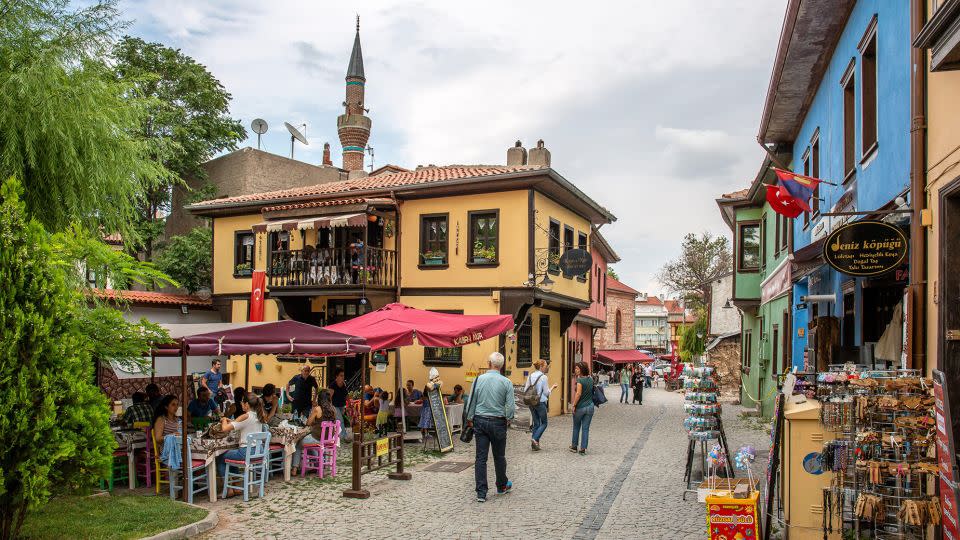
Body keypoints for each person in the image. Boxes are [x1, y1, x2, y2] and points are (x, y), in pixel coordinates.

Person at [465, 352, 516, 503]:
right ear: (501, 366)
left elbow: (472, 399)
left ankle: (481, 492)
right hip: (498, 421)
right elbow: (511, 406)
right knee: (499, 456)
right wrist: (509, 418)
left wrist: (469, 418)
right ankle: (501, 486)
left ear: (489, 364)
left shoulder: (478, 379)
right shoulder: (506, 382)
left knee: (481, 458)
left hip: (480, 421)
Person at [216, 394, 267, 495]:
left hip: (246, 453)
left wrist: (224, 420)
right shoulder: (259, 415)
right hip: (259, 452)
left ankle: (228, 489)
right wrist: (231, 421)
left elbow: (225, 428)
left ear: (247, 404)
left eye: (242, 403)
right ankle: (236, 486)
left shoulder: (245, 416)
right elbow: (239, 423)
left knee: (220, 456)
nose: (241, 405)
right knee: (232, 455)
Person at [292, 392, 338, 473]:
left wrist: (313, 410)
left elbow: (308, 423)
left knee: (298, 443)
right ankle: (318, 465)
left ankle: (294, 469)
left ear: (319, 399)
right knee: (308, 443)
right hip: (328, 439)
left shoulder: (317, 409)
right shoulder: (333, 409)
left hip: (317, 438)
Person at [524, 360, 557, 451]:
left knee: (536, 423)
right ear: (541, 366)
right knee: (544, 423)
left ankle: (534, 445)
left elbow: (526, 389)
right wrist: (552, 388)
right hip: (540, 402)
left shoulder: (530, 376)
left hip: (531, 402)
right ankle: (535, 439)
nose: (547, 367)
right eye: (546, 365)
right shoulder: (543, 377)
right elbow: (546, 393)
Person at [570, 362, 595, 455]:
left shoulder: (580, 380)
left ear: (582, 369)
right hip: (590, 406)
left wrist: (574, 405)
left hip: (580, 407)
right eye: (575, 368)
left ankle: (574, 446)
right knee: (585, 428)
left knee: (576, 427)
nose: (575, 370)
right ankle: (583, 448)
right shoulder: (591, 379)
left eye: (577, 369)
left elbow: (578, 394)